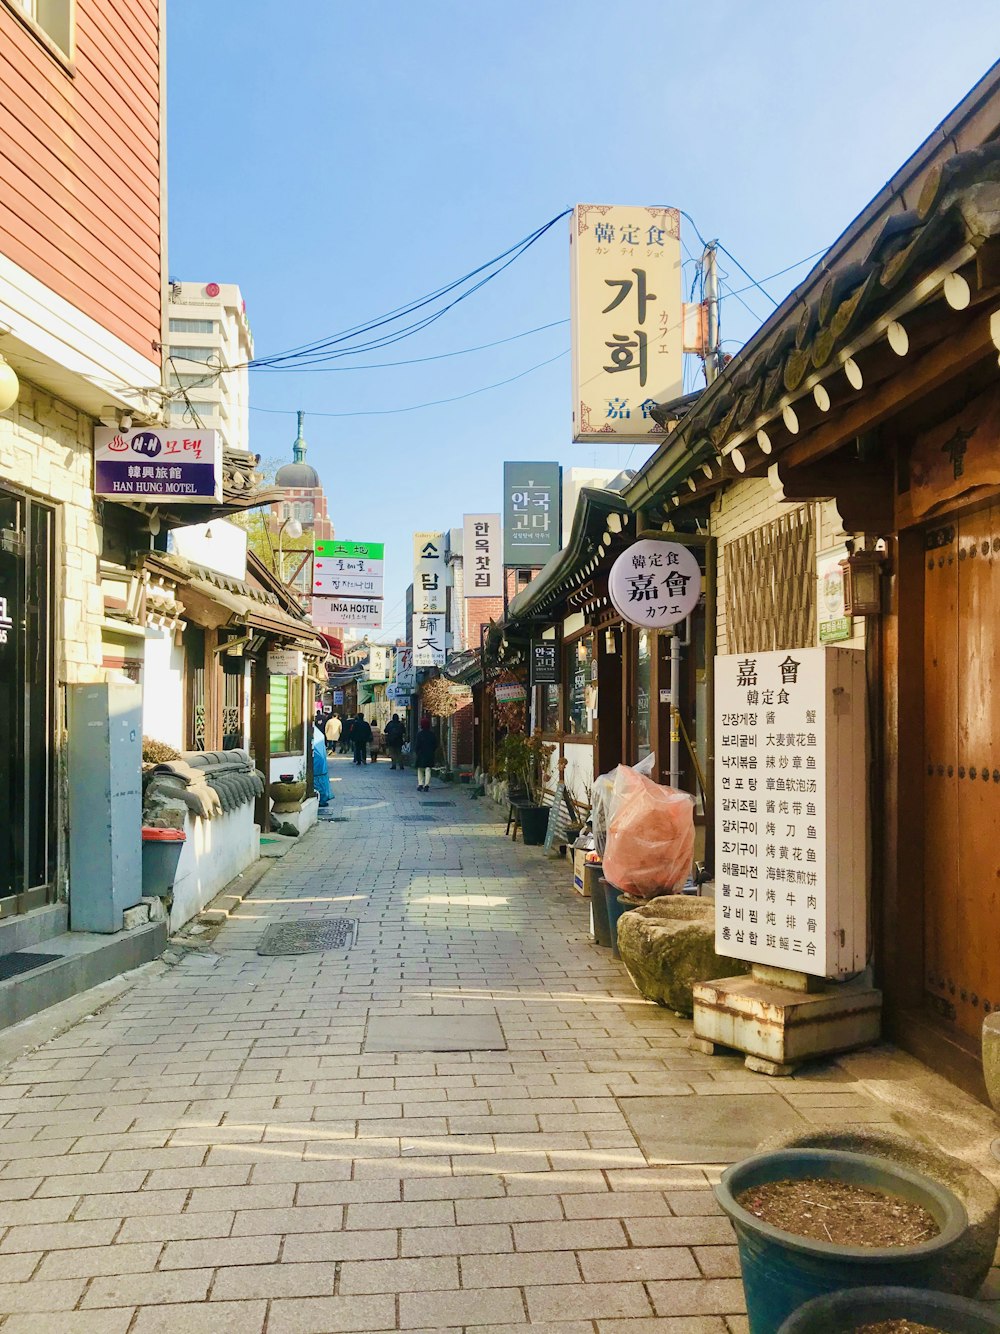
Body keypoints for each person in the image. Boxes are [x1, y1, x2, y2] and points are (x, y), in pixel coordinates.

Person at [414, 715, 436, 792]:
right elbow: (435, 744)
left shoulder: (419, 734)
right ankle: (427, 785)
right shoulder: (432, 734)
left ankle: (420, 784)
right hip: (429, 754)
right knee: (428, 769)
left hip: (421, 754)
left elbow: (417, 745)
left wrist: (417, 752)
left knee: (420, 769)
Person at [312, 724, 331, 806]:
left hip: (317, 761)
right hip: (320, 761)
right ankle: (322, 799)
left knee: (317, 782)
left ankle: (320, 799)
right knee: (321, 782)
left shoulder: (313, 731)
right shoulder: (317, 733)